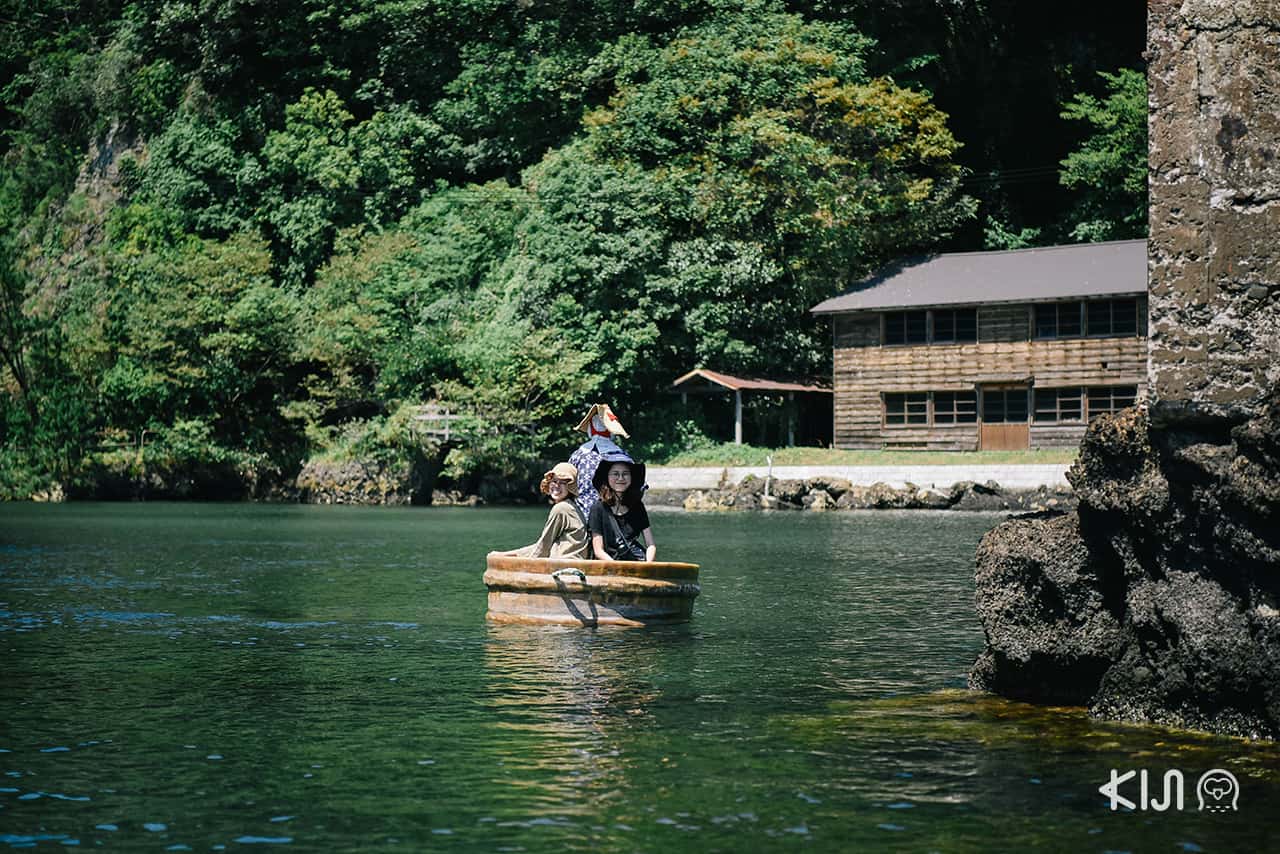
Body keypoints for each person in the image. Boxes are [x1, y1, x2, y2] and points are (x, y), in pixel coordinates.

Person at [494, 463, 590, 559]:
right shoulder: (571, 507)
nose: (557, 485)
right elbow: (541, 545)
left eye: (563, 483)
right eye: (554, 481)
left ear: (570, 487)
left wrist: (526, 564)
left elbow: (544, 546)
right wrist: (505, 554)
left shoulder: (561, 508)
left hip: (565, 565)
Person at [587, 453, 656, 562]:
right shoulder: (598, 508)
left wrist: (648, 565)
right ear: (607, 477)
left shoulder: (637, 506)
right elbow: (598, 551)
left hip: (636, 562)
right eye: (615, 474)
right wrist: (616, 567)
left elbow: (650, 544)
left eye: (625, 474)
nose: (620, 478)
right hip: (609, 565)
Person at [568, 403, 629, 519]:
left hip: (583, 518)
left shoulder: (577, 456)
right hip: (615, 519)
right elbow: (640, 487)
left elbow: (568, 484)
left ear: (590, 429)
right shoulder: (622, 456)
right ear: (611, 431)